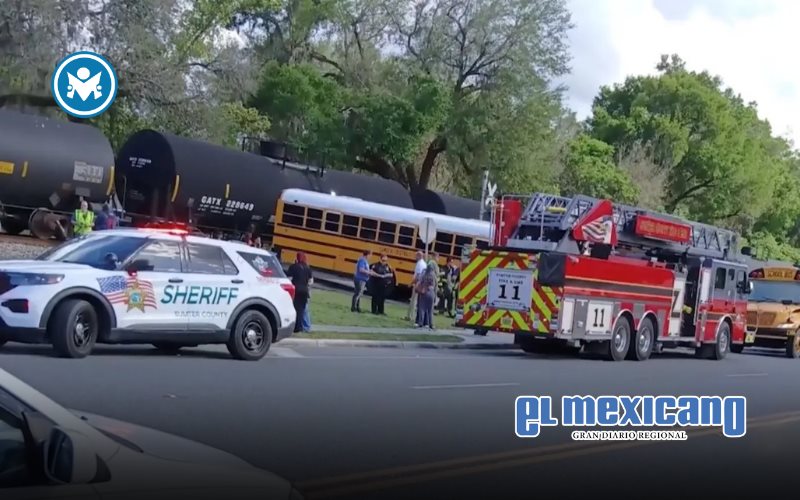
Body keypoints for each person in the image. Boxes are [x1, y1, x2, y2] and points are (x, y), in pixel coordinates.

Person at [286, 252, 313, 333]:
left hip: (296, 290)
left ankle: (296, 327)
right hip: (304, 291)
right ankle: (301, 327)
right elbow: (311, 281)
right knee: (301, 310)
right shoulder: (308, 268)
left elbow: (289, 277)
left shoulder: (293, 267)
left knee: (295, 308)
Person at [415, 262, 437, 329]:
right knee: (430, 310)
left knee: (422, 308)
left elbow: (420, 281)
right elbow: (436, 285)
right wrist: (435, 296)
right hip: (431, 292)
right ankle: (431, 324)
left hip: (424, 292)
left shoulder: (424, 274)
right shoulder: (433, 275)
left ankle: (420, 323)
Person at [407, 251, 427, 322]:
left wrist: (411, 283)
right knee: (415, 301)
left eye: (416, 256)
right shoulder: (424, 263)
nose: (415, 257)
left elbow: (418, 275)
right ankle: (409, 315)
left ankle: (411, 316)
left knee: (413, 301)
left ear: (419, 256)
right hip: (421, 284)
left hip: (417, 284)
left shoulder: (419, 264)